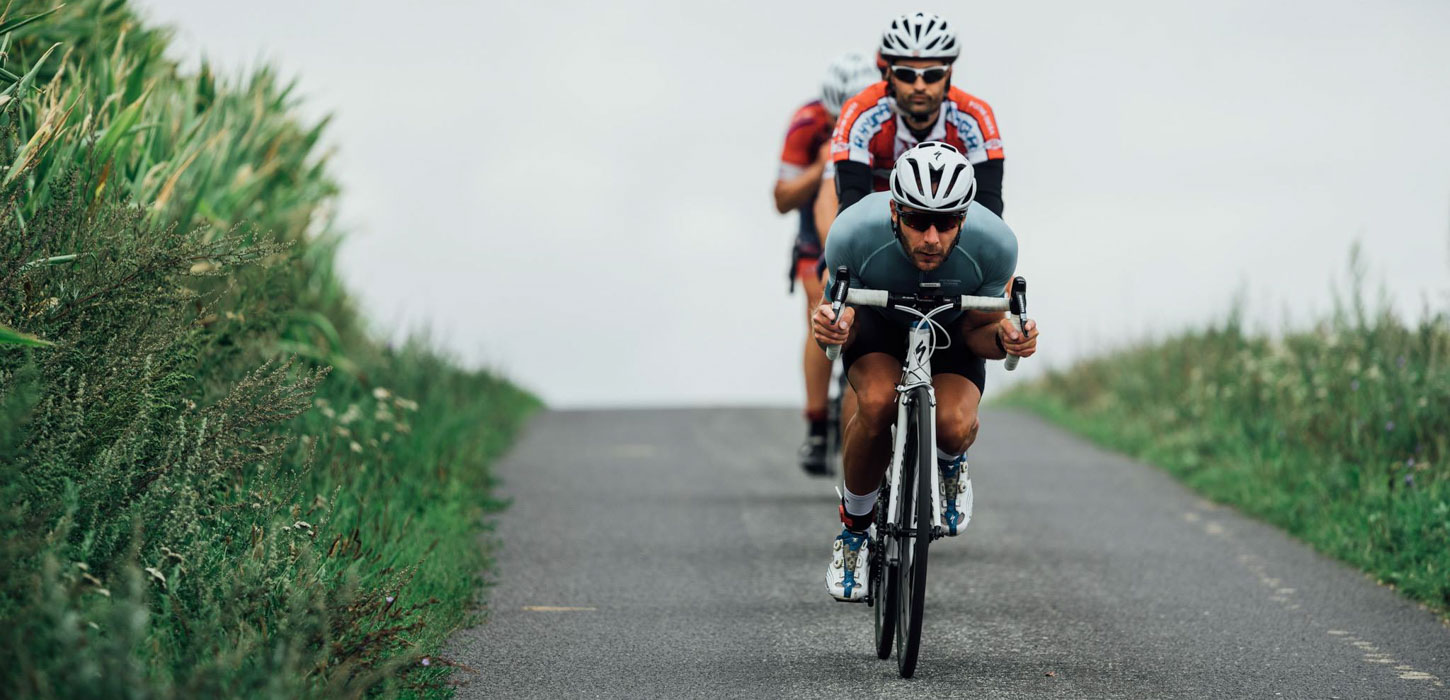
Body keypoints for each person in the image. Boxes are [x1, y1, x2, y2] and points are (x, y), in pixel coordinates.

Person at [815, 142, 1038, 602]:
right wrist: (832, 330)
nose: (932, 238)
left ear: (966, 216)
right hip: (876, 325)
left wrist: (1005, 339)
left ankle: (950, 462)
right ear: (895, 211)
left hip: (954, 331)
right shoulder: (852, 232)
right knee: (875, 404)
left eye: (947, 222)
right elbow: (836, 322)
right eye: (917, 221)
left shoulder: (996, 244)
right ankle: (854, 532)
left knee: (954, 427)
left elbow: (981, 331)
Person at [774, 52, 882, 475]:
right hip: (814, 220)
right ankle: (817, 426)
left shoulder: (889, 118)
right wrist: (820, 165)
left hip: (872, 211)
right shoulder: (807, 122)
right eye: (841, 119)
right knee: (820, 306)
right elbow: (781, 198)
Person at [823, 11, 1006, 235]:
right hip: (879, 230)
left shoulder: (975, 117)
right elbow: (851, 209)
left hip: (947, 234)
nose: (919, 86)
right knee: (834, 258)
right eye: (907, 75)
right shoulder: (860, 113)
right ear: (888, 73)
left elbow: (990, 213)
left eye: (932, 75)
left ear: (949, 74)